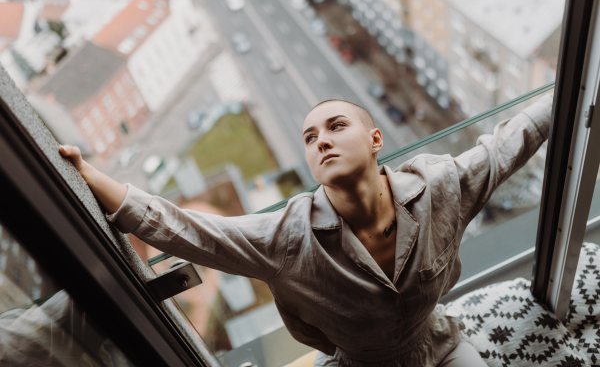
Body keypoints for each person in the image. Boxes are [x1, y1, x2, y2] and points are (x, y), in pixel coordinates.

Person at [59, 93, 553, 366]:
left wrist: (580, 79)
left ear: (375, 139)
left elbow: (511, 140)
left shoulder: (442, 186)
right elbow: (192, 231)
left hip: (438, 346)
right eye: (310, 138)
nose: (322, 141)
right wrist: (95, 179)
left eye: (337, 126)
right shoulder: (284, 239)